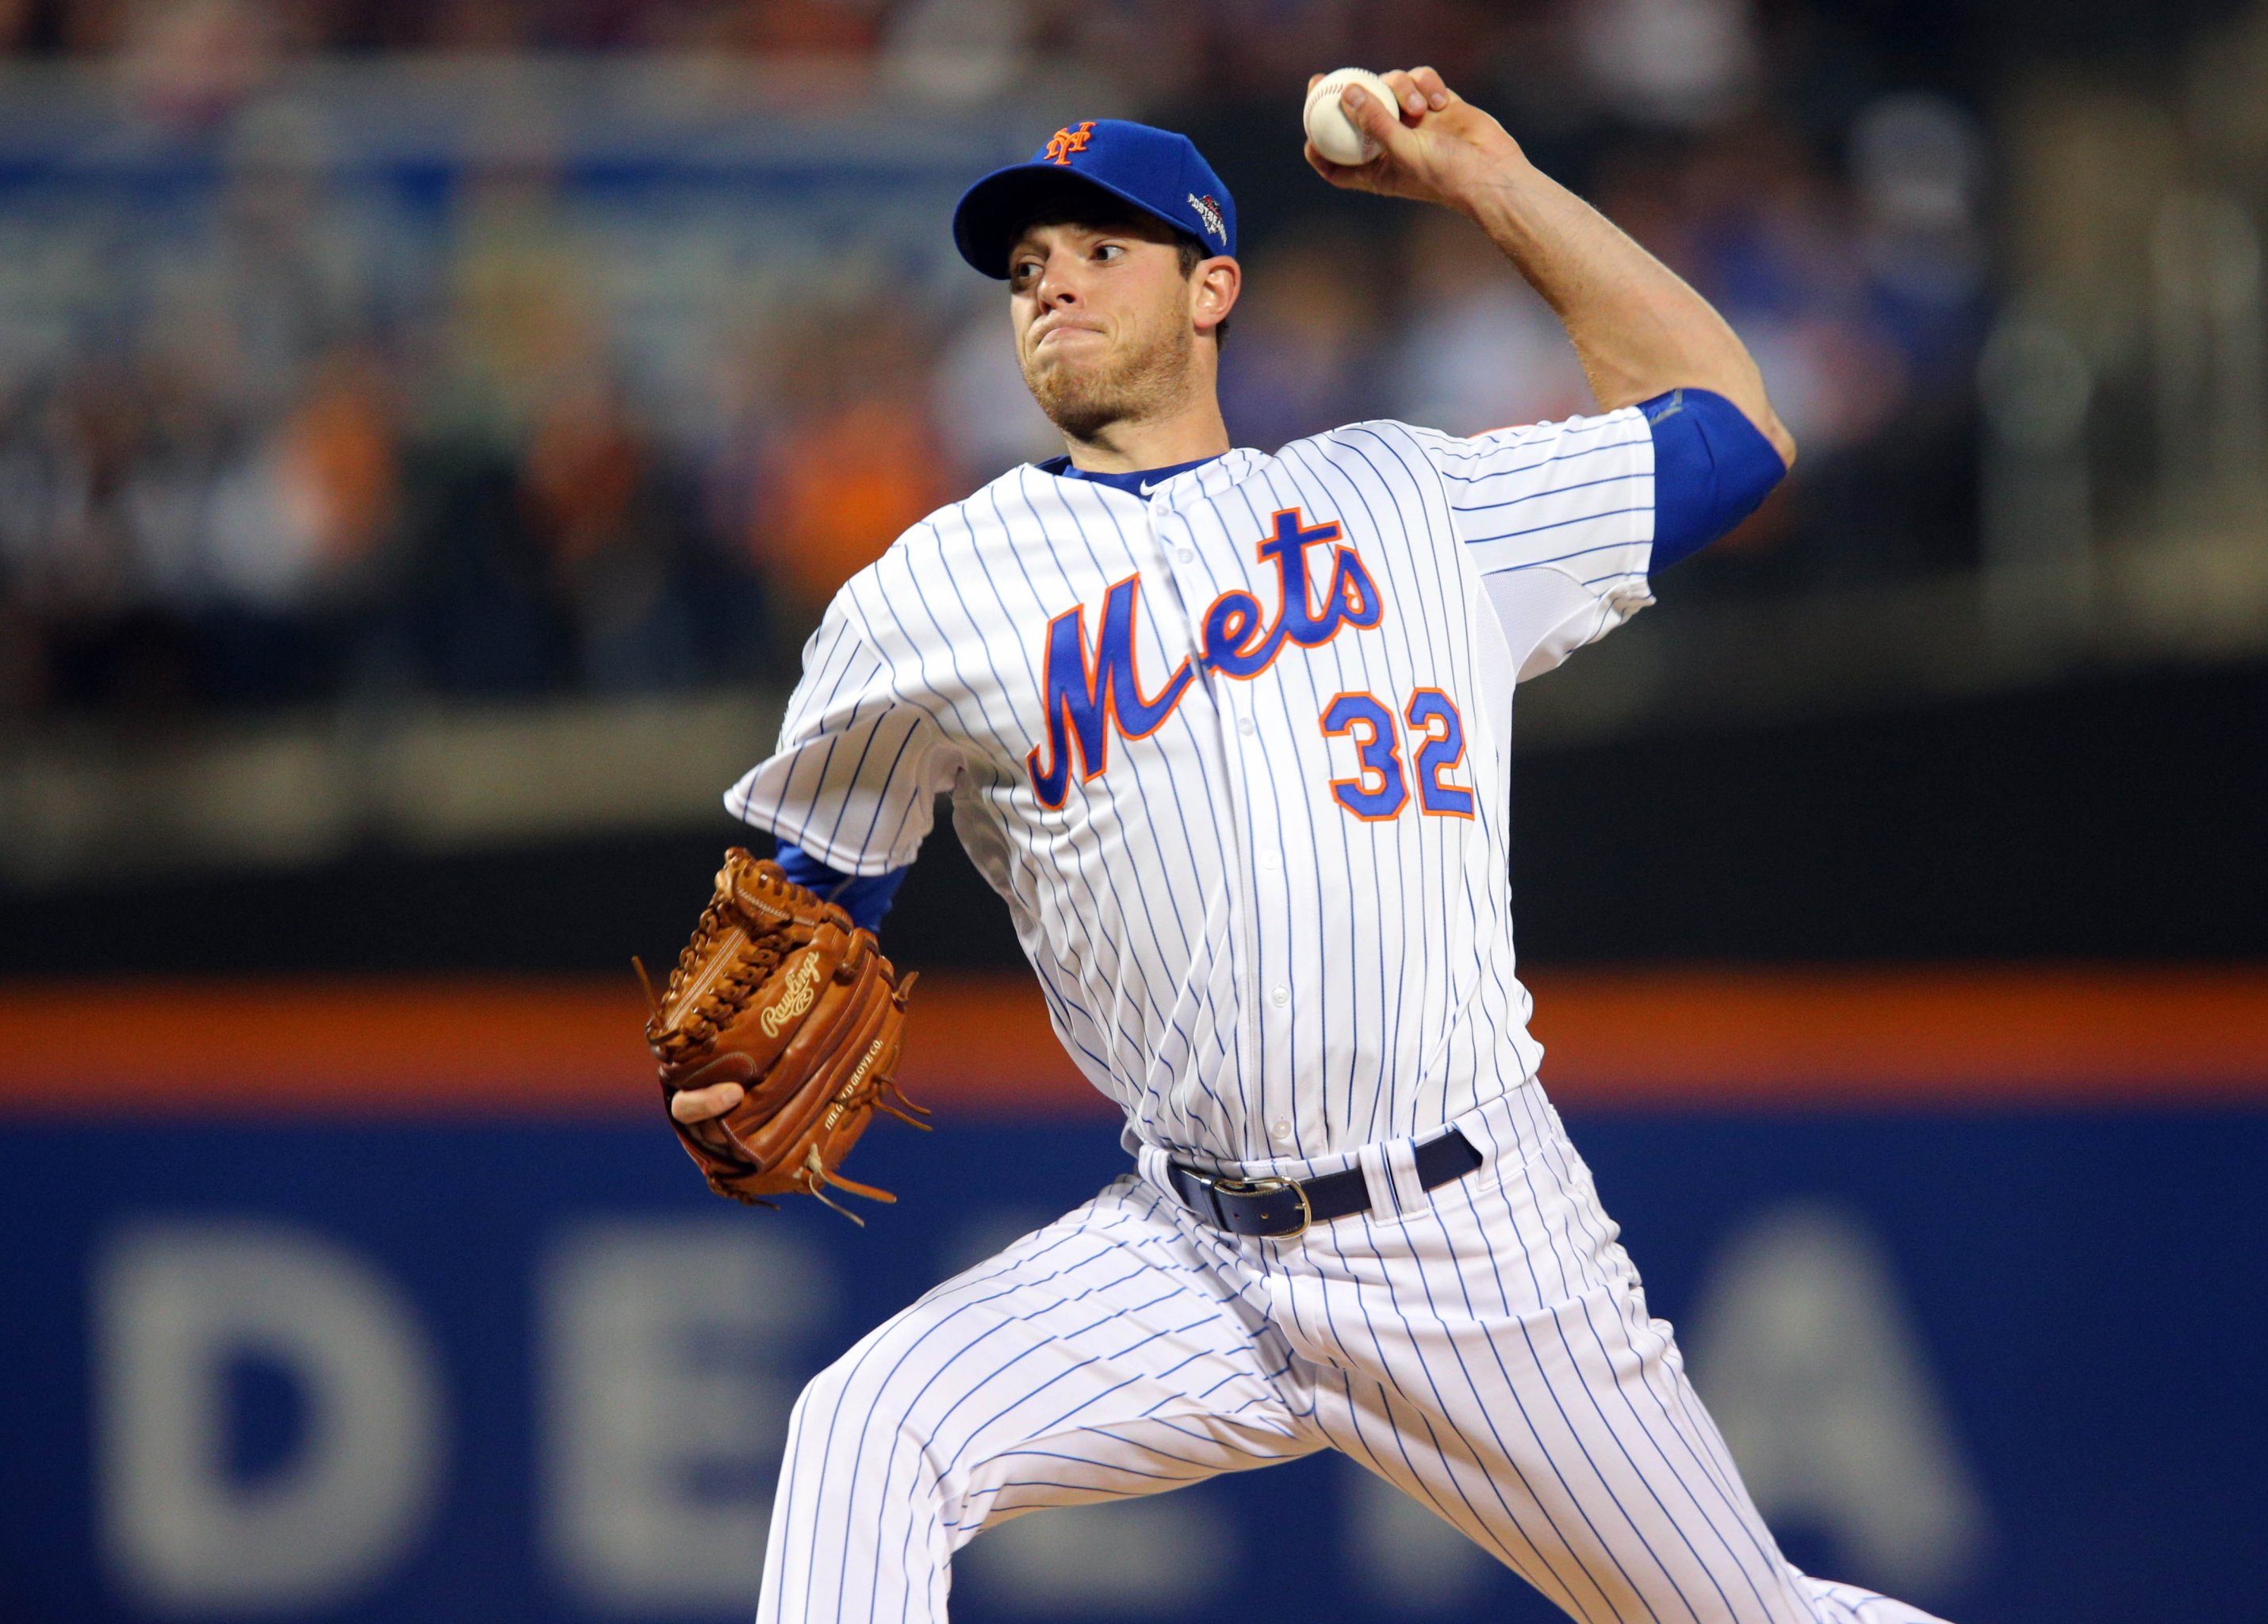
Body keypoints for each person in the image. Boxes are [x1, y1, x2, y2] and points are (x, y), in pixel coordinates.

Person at [683, 68, 1947, 1624]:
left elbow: (1733, 432)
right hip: (1187, 1248)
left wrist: (1494, 181)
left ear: (1213, 287)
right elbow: (804, 895)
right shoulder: (926, 594)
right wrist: (743, 1028)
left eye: (1099, 247)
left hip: (1468, 1241)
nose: (1051, 283)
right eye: (1025, 267)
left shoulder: (1408, 499)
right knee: (869, 1428)